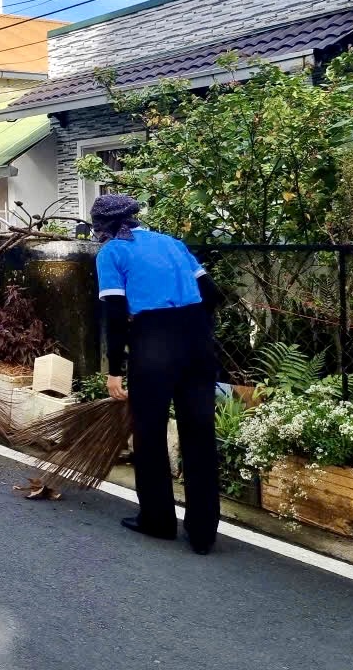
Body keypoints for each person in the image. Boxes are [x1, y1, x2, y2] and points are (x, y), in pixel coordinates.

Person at [92, 193, 223, 556]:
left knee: (149, 434)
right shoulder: (171, 242)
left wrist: (115, 370)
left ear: (101, 227)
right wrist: (196, 328)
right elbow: (211, 294)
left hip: (153, 342)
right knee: (200, 434)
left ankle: (158, 520)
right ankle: (203, 532)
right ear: (134, 217)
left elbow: (116, 317)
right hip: (197, 340)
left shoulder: (111, 253)